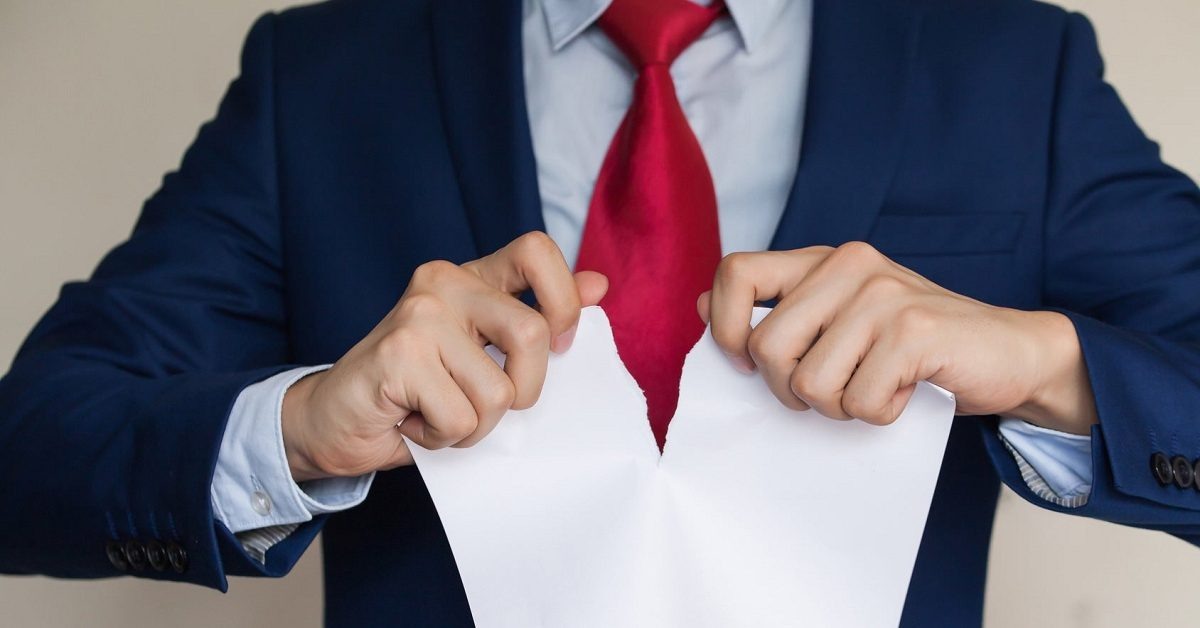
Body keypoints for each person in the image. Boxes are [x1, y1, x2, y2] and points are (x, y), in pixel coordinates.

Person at [2, 0, 1199, 625]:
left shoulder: (1017, 69)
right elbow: (28, 452)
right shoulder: (320, 79)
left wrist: (1046, 362)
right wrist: (299, 425)